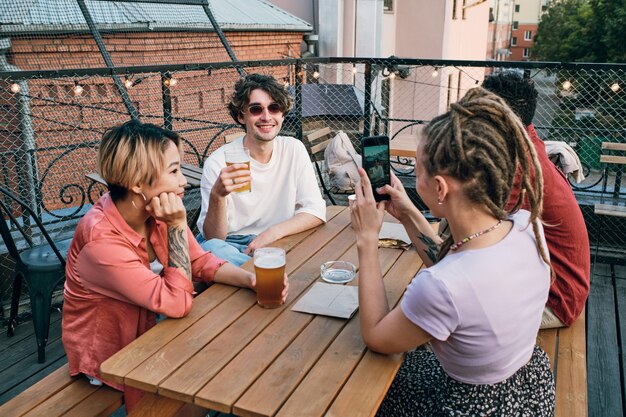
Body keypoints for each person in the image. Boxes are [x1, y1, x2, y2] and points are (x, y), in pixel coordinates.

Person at [350, 87, 555, 416]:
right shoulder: (527, 226)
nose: (414, 179)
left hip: (468, 405)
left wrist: (366, 240)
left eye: (417, 170)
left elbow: (376, 336)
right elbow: (460, 268)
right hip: (528, 386)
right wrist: (408, 215)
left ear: (441, 187)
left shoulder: (439, 287)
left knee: (363, 386)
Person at [61, 120, 288, 413]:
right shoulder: (101, 241)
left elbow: (198, 260)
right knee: (224, 367)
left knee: (242, 350)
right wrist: (179, 225)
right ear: (136, 182)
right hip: (114, 356)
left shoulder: (151, 209)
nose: (183, 181)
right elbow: (178, 303)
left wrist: (250, 280)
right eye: (174, 171)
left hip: (154, 327)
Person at [483, 70, 590, 328]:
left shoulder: (517, 167)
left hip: (554, 302)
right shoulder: (527, 140)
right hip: (558, 287)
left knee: (445, 314)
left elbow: (474, 242)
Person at [196, 74, 326, 265]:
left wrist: (272, 233)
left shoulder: (293, 149)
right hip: (230, 244)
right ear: (241, 116)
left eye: (274, 108)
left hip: (279, 237)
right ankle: (267, 273)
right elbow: (214, 237)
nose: (266, 117)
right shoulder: (218, 162)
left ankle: (258, 273)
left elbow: (315, 211)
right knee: (210, 249)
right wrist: (218, 196)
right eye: (256, 109)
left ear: (282, 114)